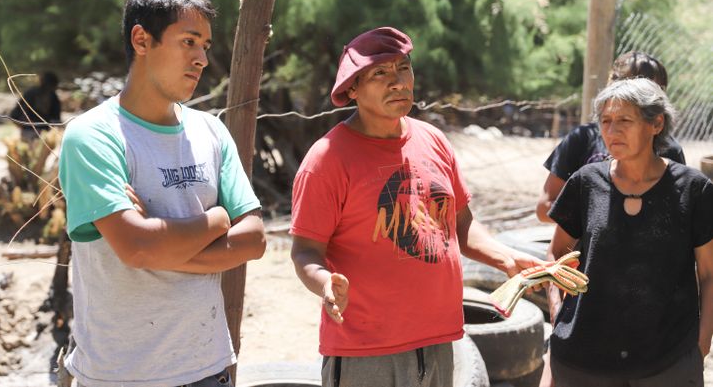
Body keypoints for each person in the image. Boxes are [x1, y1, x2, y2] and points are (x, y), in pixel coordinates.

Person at [289, 27, 545, 387]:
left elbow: (461, 225)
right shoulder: (327, 160)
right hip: (368, 351)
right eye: (380, 73)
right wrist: (324, 283)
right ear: (352, 89)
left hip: (440, 341)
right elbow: (305, 250)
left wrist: (505, 258)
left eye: (403, 68)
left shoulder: (433, 140)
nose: (397, 82)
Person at [58, 0, 266, 387]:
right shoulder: (94, 136)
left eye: (205, 46)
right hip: (120, 376)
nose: (202, 60)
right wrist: (218, 219)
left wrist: (158, 245)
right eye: (188, 41)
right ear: (141, 40)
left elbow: (255, 239)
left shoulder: (211, 131)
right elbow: (136, 247)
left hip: (208, 370)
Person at [546, 78, 713, 386]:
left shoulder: (694, 189)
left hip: (667, 365)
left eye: (624, 120)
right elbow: (557, 254)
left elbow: (708, 273)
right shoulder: (585, 183)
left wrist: (700, 346)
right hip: (584, 363)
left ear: (656, 123)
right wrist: (558, 312)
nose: (612, 131)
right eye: (606, 121)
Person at [536, 51, 686, 223]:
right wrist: (598, 215)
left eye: (652, 90)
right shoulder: (582, 139)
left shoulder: (670, 151)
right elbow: (545, 207)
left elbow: (678, 213)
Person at [10, 70, 62, 141]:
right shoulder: (30, 94)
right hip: (28, 131)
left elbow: (56, 119)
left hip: (44, 134)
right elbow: (14, 115)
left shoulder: (53, 97)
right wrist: (23, 125)